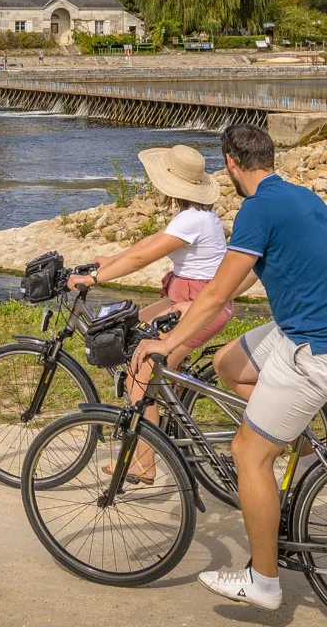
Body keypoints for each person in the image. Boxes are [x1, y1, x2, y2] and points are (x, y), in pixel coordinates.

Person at [132, 124, 327, 611]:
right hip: (298, 327)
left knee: (248, 454)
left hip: (311, 347)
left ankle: (263, 582)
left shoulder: (258, 208)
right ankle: (301, 455)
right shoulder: (302, 197)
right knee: (228, 363)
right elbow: (235, 284)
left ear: (231, 164)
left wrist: (169, 341)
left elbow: (219, 292)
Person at [69, 144, 233, 481]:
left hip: (198, 306)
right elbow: (148, 245)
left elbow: (144, 259)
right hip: (185, 300)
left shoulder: (192, 220)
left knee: (139, 368)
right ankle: (162, 414)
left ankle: (145, 463)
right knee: (132, 331)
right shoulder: (196, 215)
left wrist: (93, 278)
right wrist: (109, 263)